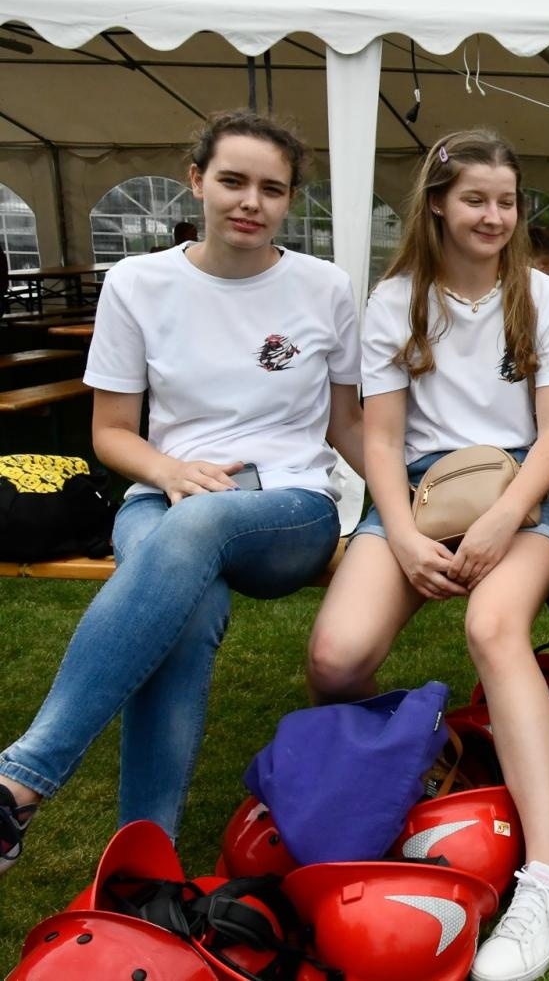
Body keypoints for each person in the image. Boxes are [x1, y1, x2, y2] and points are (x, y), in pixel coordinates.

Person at [0, 109, 364, 869]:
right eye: (232, 180)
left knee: (198, 530)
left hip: (288, 508)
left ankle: (20, 778)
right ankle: (145, 861)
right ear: (196, 181)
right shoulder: (139, 282)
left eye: (271, 188)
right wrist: (167, 472)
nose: (250, 202)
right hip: (160, 498)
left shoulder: (325, 287)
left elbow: (347, 427)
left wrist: (405, 504)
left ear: (289, 200)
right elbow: (111, 434)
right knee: (188, 599)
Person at [305, 130, 549, 981]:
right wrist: (407, 535)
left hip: (521, 490)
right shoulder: (394, 302)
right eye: (476, 200)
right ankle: (421, 756)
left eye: (508, 201)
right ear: (436, 204)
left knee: (496, 631)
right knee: (336, 660)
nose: (495, 216)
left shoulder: (543, 296)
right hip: (419, 494)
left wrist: (508, 517)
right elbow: (380, 442)